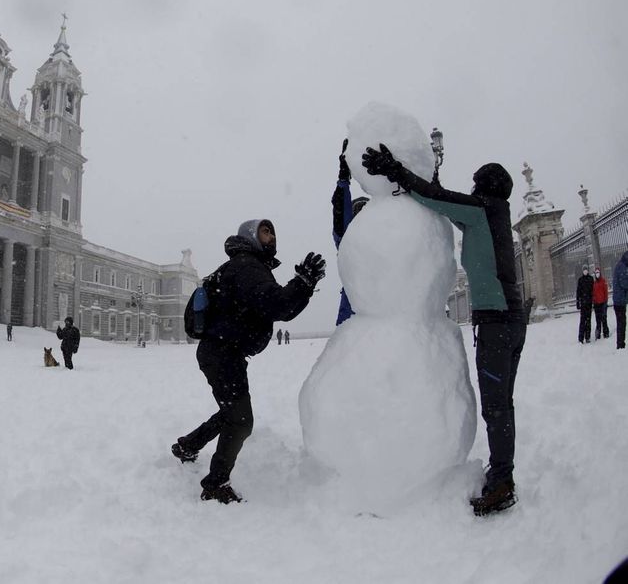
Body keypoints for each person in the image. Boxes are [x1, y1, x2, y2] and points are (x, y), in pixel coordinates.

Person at [362, 147, 525, 517]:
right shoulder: (491, 215)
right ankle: (503, 473)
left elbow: (437, 199)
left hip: (497, 323)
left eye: (476, 185)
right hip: (510, 322)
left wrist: (395, 170)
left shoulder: (484, 209)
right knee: (503, 405)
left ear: (485, 186)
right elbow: (447, 204)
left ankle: (502, 482)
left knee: (497, 407)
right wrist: (425, 180)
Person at [171, 219, 324, 504]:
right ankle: (215, 484)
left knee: (232, 413)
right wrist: (302, 283)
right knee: (241, 421)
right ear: (251, 236)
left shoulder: (248, 266)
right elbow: (277, 304)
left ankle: (187, 446)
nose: (272, 236)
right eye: (265, 231)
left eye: (274, 231)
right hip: (222, 352)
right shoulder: (247, 266)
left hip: (222, 352)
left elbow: (273, 306)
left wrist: (302, 286)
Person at [331, 139, 370, 325]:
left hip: (384, 313)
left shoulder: (385, 239)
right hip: (353, 314)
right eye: (358, 210)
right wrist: (343, 178)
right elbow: (340, 211)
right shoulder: (347, 238)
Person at [613, 251, 628, 350]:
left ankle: (620, 343)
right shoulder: (622, 267)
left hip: (619, 300)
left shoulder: (620, 266)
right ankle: (620, 344)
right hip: (620, 301)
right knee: (622, 323)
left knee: (621, 322)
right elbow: (624, 283)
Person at [576, 267, 594, 344]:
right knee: (582, 321)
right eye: (584, 270)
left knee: (588, 320)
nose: (585, 271)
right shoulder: (580, 280)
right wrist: (578, 302)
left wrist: (593, 300)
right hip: (583, 303)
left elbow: (593, 290)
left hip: (589, 303)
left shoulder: (591, 279)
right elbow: (578, 292)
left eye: (586, 270)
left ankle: (587, 337)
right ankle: (581, 338)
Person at [593, 268, 610, 341]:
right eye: (596, 273)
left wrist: (606, 301)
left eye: (598, 272)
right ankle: (598, 334)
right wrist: (594, 302)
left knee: (604, 319)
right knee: (598, 320)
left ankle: (606, 333)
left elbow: (605, 292)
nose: (597, 274)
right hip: (597, 304)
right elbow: (593, 293)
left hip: (603, 303)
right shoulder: (594, 283)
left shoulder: (603, 281)